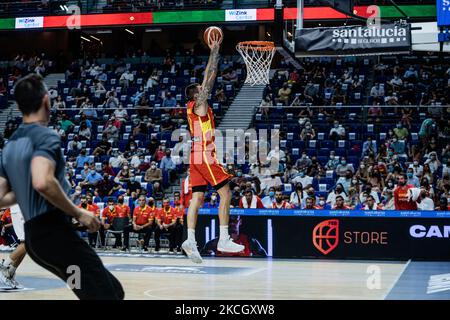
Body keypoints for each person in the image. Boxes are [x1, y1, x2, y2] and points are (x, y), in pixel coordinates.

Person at [0, 74, 123, 299]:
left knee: (107, 290)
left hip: (37, 243)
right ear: (47, 100)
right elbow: (43, 181)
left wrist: (26, 190)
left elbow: (1, 197)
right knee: (107, 295)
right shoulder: (45, 136)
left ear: (18, 106)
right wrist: (79, 213)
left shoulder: (10, 146)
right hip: (54, 233)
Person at [181, 34, 244, 263]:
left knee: (197, 199)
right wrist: (214, 50)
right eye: (200, 88)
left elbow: (209, 79)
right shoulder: (199, 105)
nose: (203, 87)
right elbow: (210, 76)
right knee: (225, 193)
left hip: (195, 156)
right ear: (196, 94)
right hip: (204, 155)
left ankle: (190, 239)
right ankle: (224, 238)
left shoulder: (193, 109)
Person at [201, 215, 267, 257]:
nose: (232, 223)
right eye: (229, 221)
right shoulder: (214, 243)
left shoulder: (250, 241)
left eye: (235, 220)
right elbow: (203, 259)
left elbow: (264, 259)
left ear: (240, 221)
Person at [0, 204, 26, 289]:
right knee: (26, 243)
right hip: (19, 211)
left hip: (22, 210)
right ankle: (4, 267)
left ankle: (9, 272)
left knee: (26, 245)